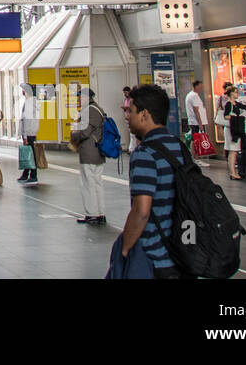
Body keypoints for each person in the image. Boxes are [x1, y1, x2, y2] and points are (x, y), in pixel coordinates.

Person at [120, 85, 190, 279]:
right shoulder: (178, 147)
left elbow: (142, 211)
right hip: (183, 255)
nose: (127, 116)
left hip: (155, 259)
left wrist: (125, 249)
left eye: (130, 111)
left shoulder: (145, 154)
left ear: (144, 114)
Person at [69, 88, 106, 224]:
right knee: (97, 183)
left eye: (80, 97)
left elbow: (84, 132)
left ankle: (91, 214)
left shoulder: (88, 111)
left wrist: (73, 134)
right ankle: (100, 213)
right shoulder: (99, 109)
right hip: (98, 152)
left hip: (89, 152)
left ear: (86, 98)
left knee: (87, 183)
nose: (79, 100)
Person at [17, 82, 40, 185]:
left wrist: (25, 135)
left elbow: (26, 120)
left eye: (23, 90)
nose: (22, 91)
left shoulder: (29, 103)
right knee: (28, 153)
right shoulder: (34, 102)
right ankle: (26, 173)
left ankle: (33, 175)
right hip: (32, 130)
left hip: (29, 131)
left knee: (30, 154)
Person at [219, 84, 244, 180]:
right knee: (232, 151)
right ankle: (232, 172)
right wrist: (236, 118)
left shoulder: (236, 104)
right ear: (231, 93)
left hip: (234, 129)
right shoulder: (228, 104)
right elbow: (226, 116)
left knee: (234, 151)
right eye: (236, 92)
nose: (238, 94)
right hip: (231, 130)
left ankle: (233, 172)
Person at [185, 79, 210, 167]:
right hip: (196, 122)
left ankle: (195, 159)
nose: (201, 89)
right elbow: (196, 110)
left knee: (194, 139)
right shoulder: (194, 96)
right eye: (200, 87)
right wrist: (200, 123)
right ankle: (196, 159)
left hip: (194, 122)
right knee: (196, 140)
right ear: (196, 87)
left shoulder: (191, 95)